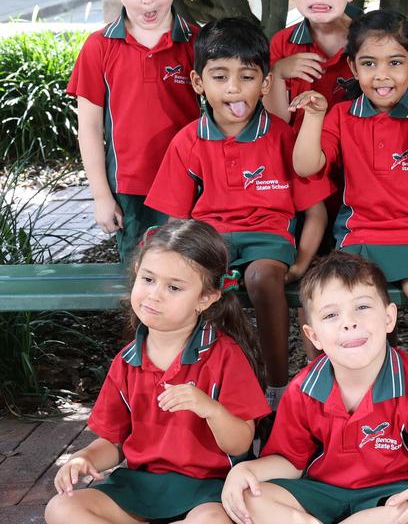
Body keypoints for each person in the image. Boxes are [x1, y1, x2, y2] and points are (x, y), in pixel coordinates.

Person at [145, 17, 330, 407]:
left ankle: (277, 388)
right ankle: (203, 387)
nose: (233, 88)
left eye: (246, 77)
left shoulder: (282, 136)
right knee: (201, 290)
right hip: (211, 244)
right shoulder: (188, 141)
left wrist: (300, 264)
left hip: (269, 241)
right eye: (219, 76)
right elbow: (175, 223)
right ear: (198, 82)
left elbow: (315, 212)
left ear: (265, 84)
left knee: (262, 277)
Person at [45, 220, 270, 524]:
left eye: (174, 287)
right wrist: (84, 458)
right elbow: (113, 443)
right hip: (141, 487)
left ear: (205, 298)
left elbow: (241, 443)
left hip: (208, 490)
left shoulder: (225, 356)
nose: (154, 295)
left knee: (210, 521)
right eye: (148, 279)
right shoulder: (126, 362)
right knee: (61, 509)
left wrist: (210, 409)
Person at [221, 253, 408, 524]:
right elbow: (291, 462)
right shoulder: (303, 389)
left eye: (362, 307)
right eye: (331, 314)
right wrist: (244, 470)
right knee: (249, 496)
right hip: (320, 493)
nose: (349, 322)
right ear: (314, 336)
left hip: (389, 497)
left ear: (389, 318)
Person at [292, 10, 408, 381]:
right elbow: (306, 166)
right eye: (369, 63)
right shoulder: (340, 115)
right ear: (352, 66)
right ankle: (356, 385)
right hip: (360, 236)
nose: (382, 75)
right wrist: (314, 117)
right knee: (342, 300)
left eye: (395, 63)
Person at [68, 0, 200, 260]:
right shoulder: (99, 48)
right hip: (130, 191)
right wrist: (101, 195)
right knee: (141, 281)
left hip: (190, 184)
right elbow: (89, 128)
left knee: (189, 273)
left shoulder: (197, 43)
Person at [264, 0, 363, 123]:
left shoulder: (374, 40)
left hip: (358, 150)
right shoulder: (282, 43)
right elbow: (277, 122)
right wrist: (278, 72)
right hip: (299, 150)